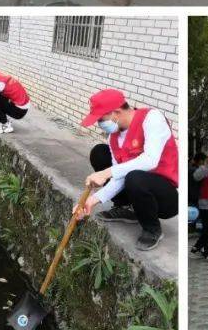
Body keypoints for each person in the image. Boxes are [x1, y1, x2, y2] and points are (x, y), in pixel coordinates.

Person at [72, 89, 179, 251]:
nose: (99, 124)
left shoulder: (152, 119)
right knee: (100, 153)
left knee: (134, 177)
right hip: (135, 185)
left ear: (116, 112)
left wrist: (105, 173)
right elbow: (119, 176)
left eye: (101, 119)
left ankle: (152, 229)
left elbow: (150, 160)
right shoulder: (113, 137)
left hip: (165, 197)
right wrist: (91, 201)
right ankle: (126, 208)